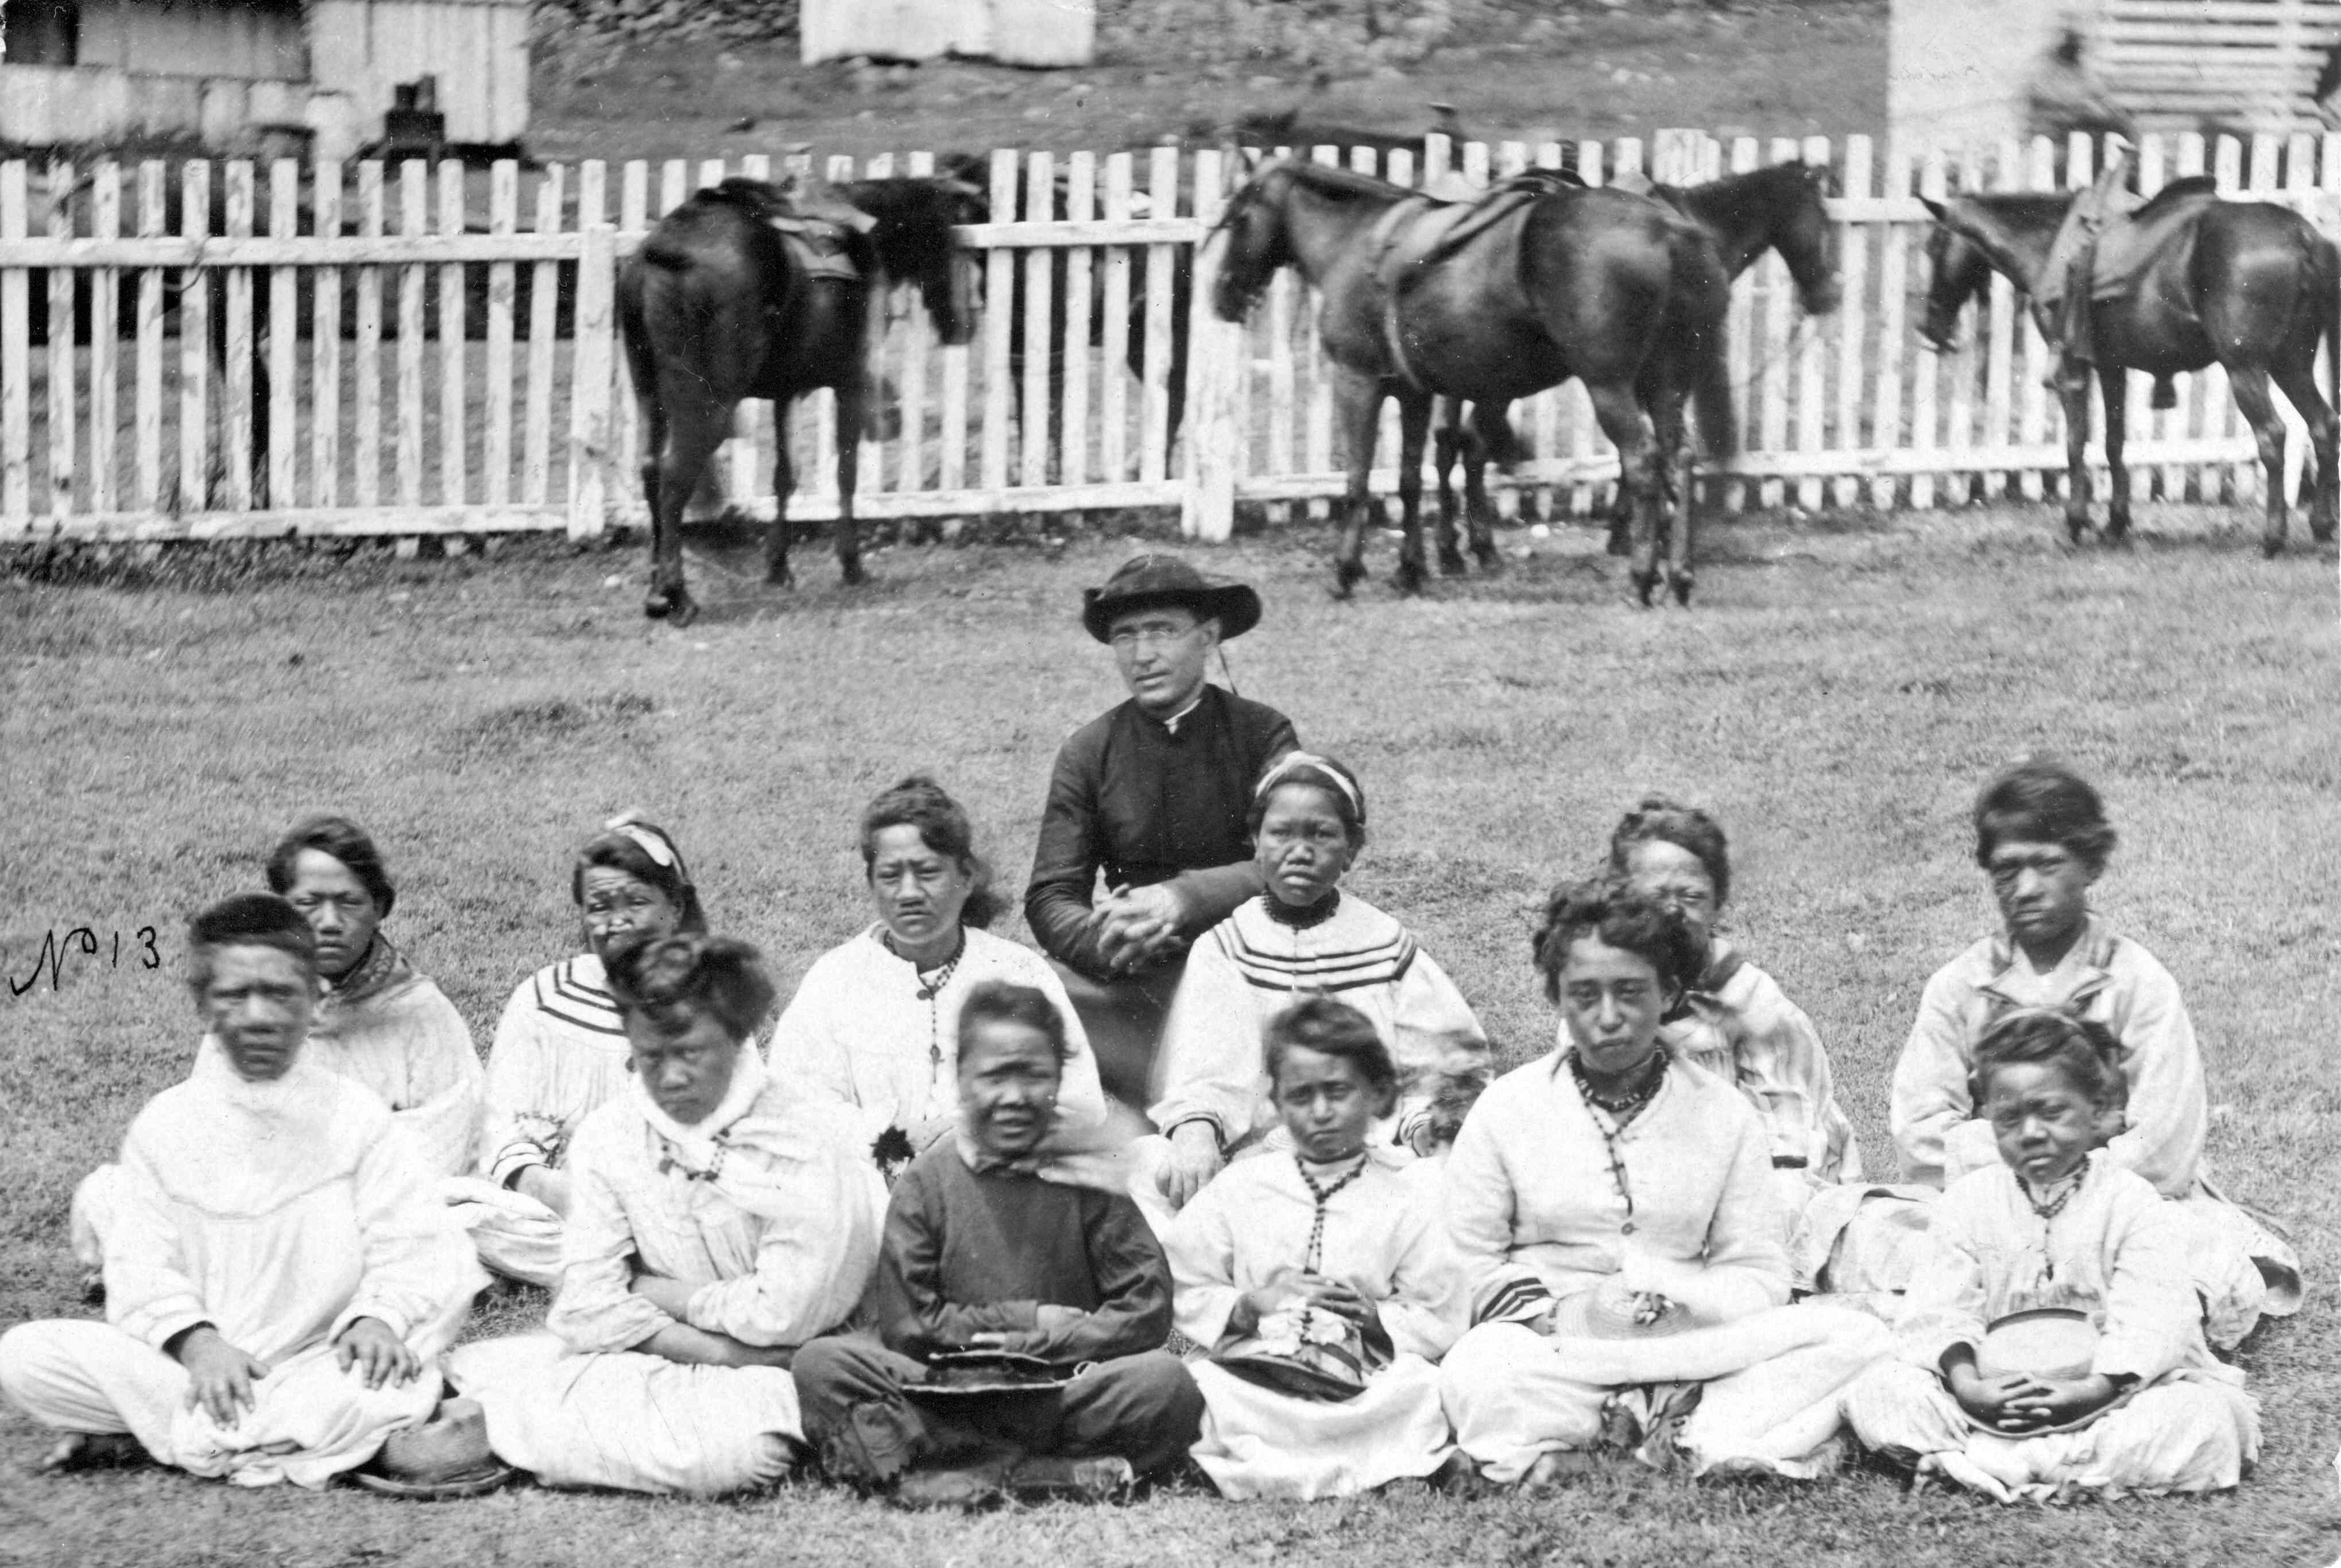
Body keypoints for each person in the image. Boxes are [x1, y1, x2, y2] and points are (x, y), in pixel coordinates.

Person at [0, 895, 485, 1488]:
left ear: (315, 1000)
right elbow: (139, 1265)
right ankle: (304, 1442)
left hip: (325, 1361)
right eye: (235, 995)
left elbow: (414, 1244)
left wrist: (376, 1319)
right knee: (24, 1356)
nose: (259, 1016)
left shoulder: (359, 1119)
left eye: (280, 993)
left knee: (378, 1386)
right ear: (205, 1005)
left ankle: (184, 1436)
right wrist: (198, 1343)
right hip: (200, 1368)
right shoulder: (166, 1123)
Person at [1437, 880, 1889, 1486]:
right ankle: (1684, 1432)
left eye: (1630, 992)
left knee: (1850, 1336)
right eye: (1584, 995)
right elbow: (1465, 1260)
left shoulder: (1724, 1113)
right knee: (1478, 1370)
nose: (1607, 1017)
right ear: (1557, 997)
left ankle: (1638, 1433)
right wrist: (1554, 1313)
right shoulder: (1507, 1107)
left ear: (1668, 992)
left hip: (1693, 1341)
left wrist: (1688, 1300)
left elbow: (1757, 1269)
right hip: (1557, 1346)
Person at [1880, 759, 2300, 1344]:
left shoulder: (2137, 983)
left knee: (2190, 1262)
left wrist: (2079, 1182)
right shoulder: (1961, 986)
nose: (2026, 888)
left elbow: (2165, 1146)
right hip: (1987, 1201)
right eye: (2007, 869)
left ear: (2091, 864)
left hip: (2122, 1198)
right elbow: (1920, 1131)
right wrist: (2014, 1175)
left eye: (2048, 864)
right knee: (1881, 1242)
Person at [449, 935, 881, 1495]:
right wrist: (715, 1348)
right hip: (679, 1350)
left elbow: (787, 1316)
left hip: (800, 1355)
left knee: (736, 1455)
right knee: (511, 1391)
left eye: (690, 1052)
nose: (671, 1077)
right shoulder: (610, 1135)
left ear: (737, 1036)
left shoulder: (805, 1137)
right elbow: (590, 1302)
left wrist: (653, 1290)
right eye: (652, 1056)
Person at [792, 982, 1205, 1509]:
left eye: (1032, 1074)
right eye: (993, 1076)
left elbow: (1145, 1311)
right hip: (944, 1387)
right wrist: (1030, 1320)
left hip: (1061, 1387)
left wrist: (1039, 1352)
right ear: (961, 1081)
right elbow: (908, 1325)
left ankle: (951, 1472)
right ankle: (1050, 1475)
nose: (1013, 1096)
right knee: (822, 1365)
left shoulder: (1089, 1173)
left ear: (1058, 1078)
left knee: (1165, 1383)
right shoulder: (926, 1181)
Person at [1846, 1010, 2260, 1501]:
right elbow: (1940, 1307)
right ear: (1988, 1121)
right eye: (2009, 1118)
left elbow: (2154, 1316)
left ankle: (1981, 1463)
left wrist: (2094, 1388)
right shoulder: (1969, 1198)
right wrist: (1967, 1384)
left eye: (2052, 1111)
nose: (2031, 1133)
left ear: (2097, 1109)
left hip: (2106, 1398)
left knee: (2205, 1419)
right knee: (1878, 1391)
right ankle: (2045, 1466)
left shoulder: (2130, 1201)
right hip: (1986, 1399)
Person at [68, 816, 483, 1279]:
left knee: (472, 1217)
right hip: (248, 1204)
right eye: (308, 903)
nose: (329, 922)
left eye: (349, 903)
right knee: (108, 1191)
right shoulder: (253, 1001)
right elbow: (208, 1126)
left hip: (362, 1210)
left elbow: (437, 1154)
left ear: (379, 907)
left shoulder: (421, 1013)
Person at [1143, 753, 1487, 1216]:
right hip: (1256, 1156)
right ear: (1256, 842)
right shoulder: (1227, 946)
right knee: (1147, 1173)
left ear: (1352, 848)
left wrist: (1426, 1123)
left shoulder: (1383, 943)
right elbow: (1203, 1070)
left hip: (1370, 1154)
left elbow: (1440, 1061)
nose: (1299, 850)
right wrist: (1196, 1133)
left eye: (1321, 834)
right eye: (1281, 833)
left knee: (1444, 1183)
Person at [1166, 996, 1470, 1500]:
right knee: (1202, 1387)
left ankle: (1352, 1456)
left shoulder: (1407, 1196)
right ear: (1278, 1103)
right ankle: (1340, 1459)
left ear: (1377, 1095)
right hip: (1254, 1367)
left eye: (1338, 1092)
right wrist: (1245, 1305)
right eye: (1301, 1096)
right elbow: (1182, 1275)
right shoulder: (1243, 1186)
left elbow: (1439, 1302)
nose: (1321, 1112)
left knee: (1420, 1389)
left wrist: (1378, 1318)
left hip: (1364, 1372)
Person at [1024, 553, 1298, 1106]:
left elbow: (1291, 856)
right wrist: (1109, 941)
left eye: (1162, 631)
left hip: (1246, 954)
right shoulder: (1089, 751)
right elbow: (1052, 892)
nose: (1142, 655)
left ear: (1208, 636)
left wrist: (1180, 899)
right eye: (1125, 636)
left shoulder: (1262, 734)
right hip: (1133, 974)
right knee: (1026, 1009)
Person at [768, 775, 1108, 1179]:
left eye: (927, 872)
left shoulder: (1017, 973)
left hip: (1000, 1185)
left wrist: (972, 1133)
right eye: (890, 875)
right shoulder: (836, 978)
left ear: (966, 877)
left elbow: (1079, 1103)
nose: (908, 892)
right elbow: (794, 1106)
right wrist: (891, 1139)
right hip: (871, 1192)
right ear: (871, 884)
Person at [453, 814, 707, 1287]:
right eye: (599, 906)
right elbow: (500, 1123)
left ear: (674, 908)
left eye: (637, 901)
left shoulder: (710, 1002)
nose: (617, 922)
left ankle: (621, 1271)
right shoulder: (544, 997)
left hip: (670, 1211)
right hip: (551, 1206)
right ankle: (629, 1274)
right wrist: (549, 1187)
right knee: (461, 1213)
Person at [1608, 797, 1858, 1207]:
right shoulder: (1602, 994)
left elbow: (1790, 1146)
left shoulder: (1750, 1000)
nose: (1672, 912)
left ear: (1716, 902)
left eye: (1691, 896)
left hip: (1767, 1183)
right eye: (1654, 896)